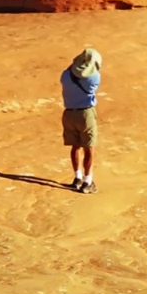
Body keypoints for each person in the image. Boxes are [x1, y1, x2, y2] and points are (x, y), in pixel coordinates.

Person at [60, 47, 102, 193]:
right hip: (86, 114)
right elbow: (93, 72)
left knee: (75, 146)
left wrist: (76, 63)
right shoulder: (94, 78)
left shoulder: (65, 76)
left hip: (69, 115)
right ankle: (87, 182)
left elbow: (68, 70)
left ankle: (77, 178)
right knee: (89, 148)